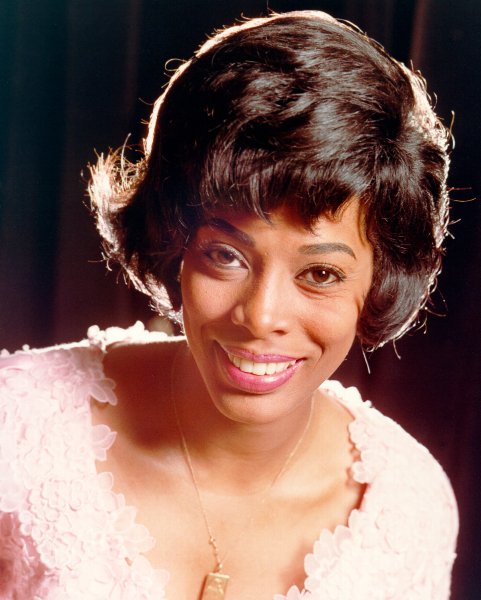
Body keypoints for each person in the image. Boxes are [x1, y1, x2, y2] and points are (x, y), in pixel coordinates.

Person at [0, 10, 458, 600]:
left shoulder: (409, 509)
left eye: (320, 274)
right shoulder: (18, 427)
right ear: (175, 242)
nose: (261, 316)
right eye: (226, 255)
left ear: (383, 280)